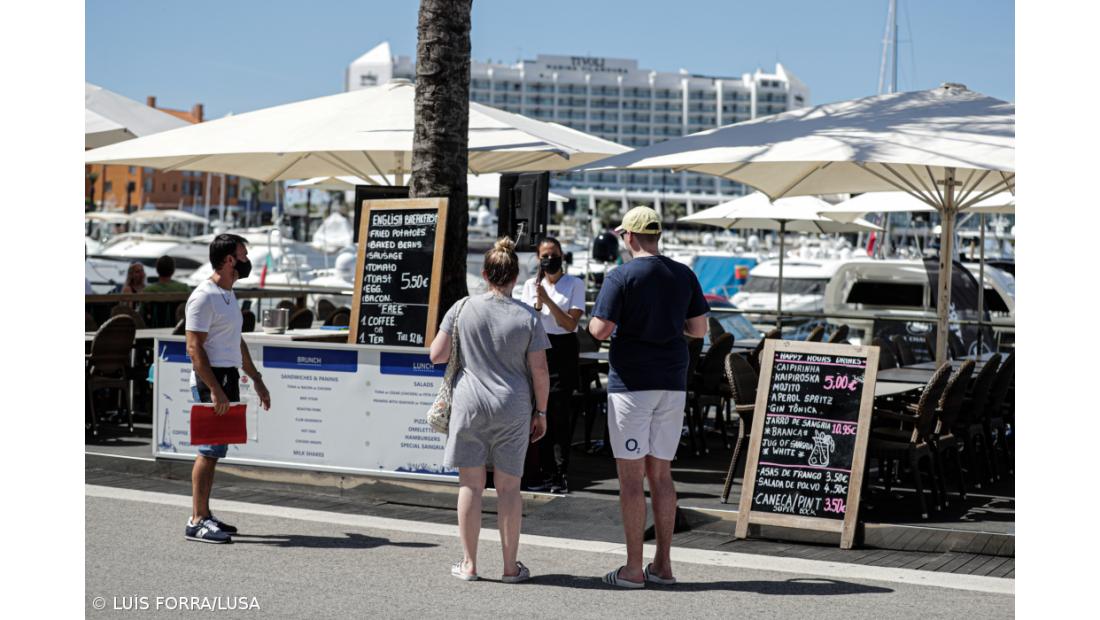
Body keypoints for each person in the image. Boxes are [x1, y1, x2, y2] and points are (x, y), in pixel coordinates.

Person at [588, 206, 709, 588]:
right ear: (657, 235)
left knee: (630, 478)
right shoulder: (684, 274)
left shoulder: (621, 276)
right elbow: (699, 329)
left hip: (633, 383)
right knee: (662, 474)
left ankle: (633, 569)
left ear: (629, 236)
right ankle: (663, 565)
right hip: (672, 380)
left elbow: (599, 330)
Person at [429, 237, 550, 583]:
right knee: (509, 487)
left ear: (484, 274)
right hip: (513, 406)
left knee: (470, 484)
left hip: (469, 405)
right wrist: (541, 412)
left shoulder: (462, 308)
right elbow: (540, 371)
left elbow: (437, 355)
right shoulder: (528, 317)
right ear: (515, 277)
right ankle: (510, 567)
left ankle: (469, 564)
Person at [184, 233, 271, 543]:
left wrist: (256, 379)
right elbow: (194, 347)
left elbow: (236, 342)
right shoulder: (204, 296)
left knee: (216, 450)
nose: (247, 261)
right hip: (212, 378)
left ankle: (204, 514)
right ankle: (197, 520)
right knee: (208, 451)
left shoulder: (227, 295)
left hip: (227, 376)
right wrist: (214, 389)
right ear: (230, 259)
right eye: (243, 255)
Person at [519, 237, 585, 494]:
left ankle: (560, 473)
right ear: (538, 259)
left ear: (562, 256)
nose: (549, 260)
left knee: (558, 414)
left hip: (562, 350)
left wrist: (547, 301)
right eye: (544, 256)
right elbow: (527, 321)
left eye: (553, 254)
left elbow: (570, 324)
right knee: (538, 411)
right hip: (538, 349)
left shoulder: (574, 284)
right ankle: (542, 471)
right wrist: (538, 301)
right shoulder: (530, 285)